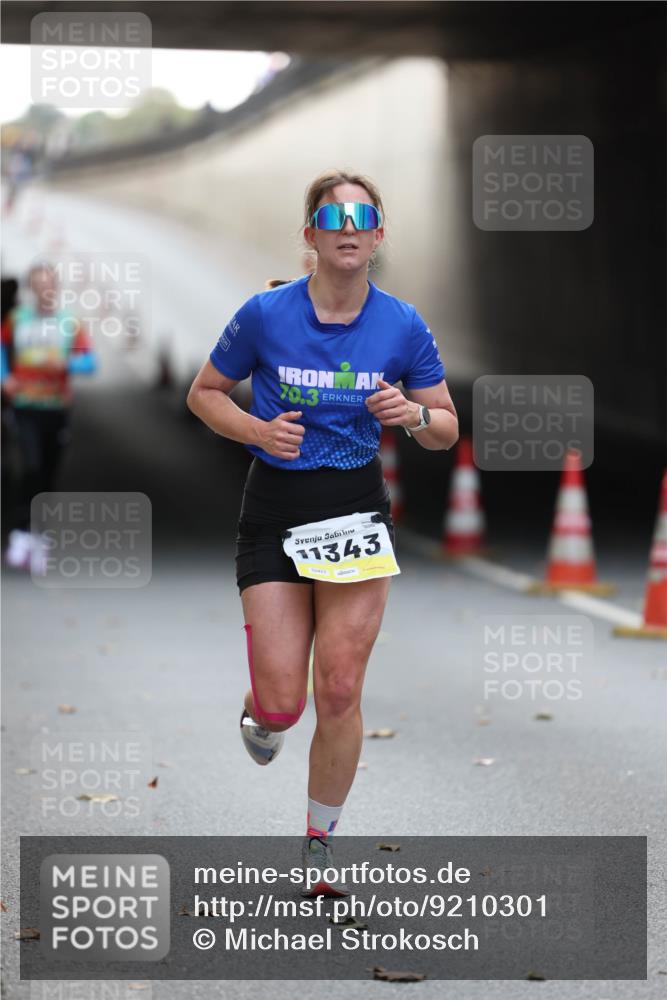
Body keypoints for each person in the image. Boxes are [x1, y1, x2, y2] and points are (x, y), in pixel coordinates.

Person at [187, 169, 458, 895]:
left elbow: (446, 426)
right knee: (285, 701)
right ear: (310, 235)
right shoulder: (266, 315)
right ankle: (261, 714)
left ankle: (318, 847)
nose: (348, 227)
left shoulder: (401, 324)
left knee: (338, 688)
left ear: (375, 235)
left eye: (362, 216)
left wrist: (414, 418)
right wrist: (253, 429)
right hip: (275, 510)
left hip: (353, 514)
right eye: (331, 218)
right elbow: (203, 393)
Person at [1, 262, 97, 571]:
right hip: (26, 405)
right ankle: (20, 532)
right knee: (30, 465)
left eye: (49, 284)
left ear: (55, 288)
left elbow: (90, 362)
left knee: (48, 473)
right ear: (32, 288)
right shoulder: (17, 320)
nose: (45, 290)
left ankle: (39, 535)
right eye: (39, 284)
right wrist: (5, 377)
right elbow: (1, 349)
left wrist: (66, 364)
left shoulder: (69, 322)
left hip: (56, 408)